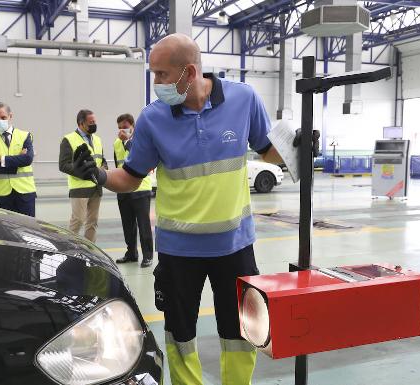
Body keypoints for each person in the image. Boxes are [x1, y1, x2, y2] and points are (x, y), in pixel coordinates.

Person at [68, 33, 306, 385]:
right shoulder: (152, 119)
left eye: (162, 74)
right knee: (180, 333)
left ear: (189, 72)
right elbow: (131, 177)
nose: (156, 83)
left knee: (240, 331)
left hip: (235, 246)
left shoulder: (244, 99)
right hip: (179, 251)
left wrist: (298, 146)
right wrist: (100, 175)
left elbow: (266, 149)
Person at [58, 109, 108, 242]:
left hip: (96, 187)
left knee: (92, 222)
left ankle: (89, 252)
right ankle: (67, 248)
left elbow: (101, 159)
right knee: (78, 221)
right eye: (91, 122)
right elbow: (63, 165)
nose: (94, 124)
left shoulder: (97, 139)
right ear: (81, 123)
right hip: (79, 187)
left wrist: (104, 169)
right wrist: (81, 173)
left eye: (95, 122)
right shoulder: (68, 139)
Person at [113, 113, 154, 267]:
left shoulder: (141, 139)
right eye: (119, 128)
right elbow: (118, 165)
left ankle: (148, 255)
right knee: (127, 224)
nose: (121, 131)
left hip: (140, 187)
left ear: (132, 127)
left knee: (143, 224)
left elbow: (140, 156)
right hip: (123, 189)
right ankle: (131, 253)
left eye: (125, 127)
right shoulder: (117, 143)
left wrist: (128, 141)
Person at [0, 102, 37, 217]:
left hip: (25, 192)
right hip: (2, 195)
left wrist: (2, 160)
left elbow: (27, 159)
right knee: (6, 233)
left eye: (3, 117)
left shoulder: (25, 135)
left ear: (10, 116)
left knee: (28, 229)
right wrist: (18, 160)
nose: (0, 121)